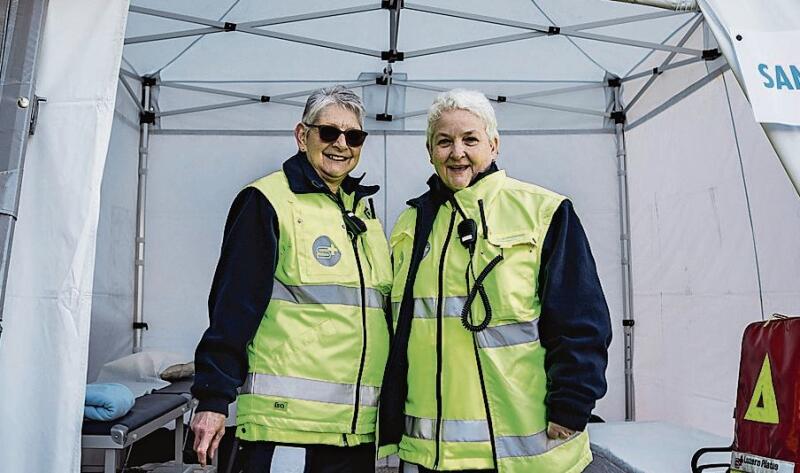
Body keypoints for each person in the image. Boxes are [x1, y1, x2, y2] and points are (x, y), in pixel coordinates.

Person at [378, 89, 612, 473]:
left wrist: (571, 405)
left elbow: (581, 319)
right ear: (429, 150)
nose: (457, 152)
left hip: (525, 447)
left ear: (494, 144)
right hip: (433, 454)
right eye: (444, 141)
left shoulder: (544, 211)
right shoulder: (410, 225)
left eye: (470, 139)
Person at [190, 86, 393, 472]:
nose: (341, 145)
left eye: (354, 136)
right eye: (329, 132)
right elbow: (233, 307)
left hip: (354, 431)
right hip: (285, 429)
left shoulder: (363, 211)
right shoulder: (266, 201)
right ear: (303, 136)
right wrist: (214, 399)